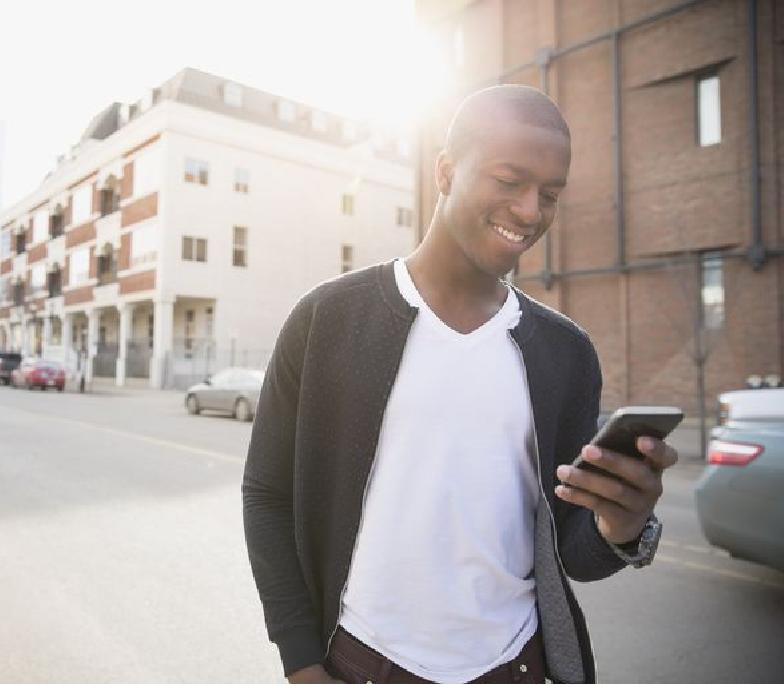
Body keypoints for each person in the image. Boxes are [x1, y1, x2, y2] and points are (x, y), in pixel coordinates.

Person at [242, 84, 678, 684]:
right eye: (509, 180)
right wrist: (299, 661)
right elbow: (267, 495)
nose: (531, 211)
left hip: (515, 666)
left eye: (549, 194)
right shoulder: (327, 320)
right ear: (445, 173)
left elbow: (573, 553)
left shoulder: (565, 354)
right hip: (362, 662)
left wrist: (620, 527)